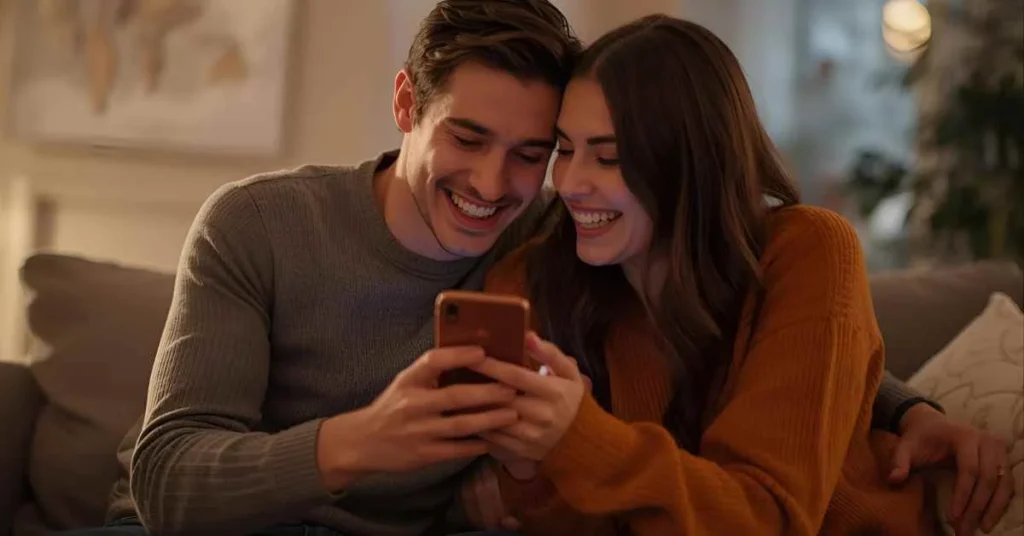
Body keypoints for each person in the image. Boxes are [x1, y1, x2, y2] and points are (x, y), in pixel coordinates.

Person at [60, 2, 1009, 536]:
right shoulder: (259, 224)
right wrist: (362, 442)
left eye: (533, 152)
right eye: (468, 138)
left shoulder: (566, 237)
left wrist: (904, 406)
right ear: (406, 104)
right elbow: (169, 480)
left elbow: (756, 311)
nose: (494, 185)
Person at [465, 14, 1018, 536]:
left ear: (692, 162)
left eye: (608, 157)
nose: (569, 183)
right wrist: (526, 470)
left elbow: (768, 517)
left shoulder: (807, 251)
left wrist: (579, 439)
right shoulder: (534, 281)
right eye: (565, 149)